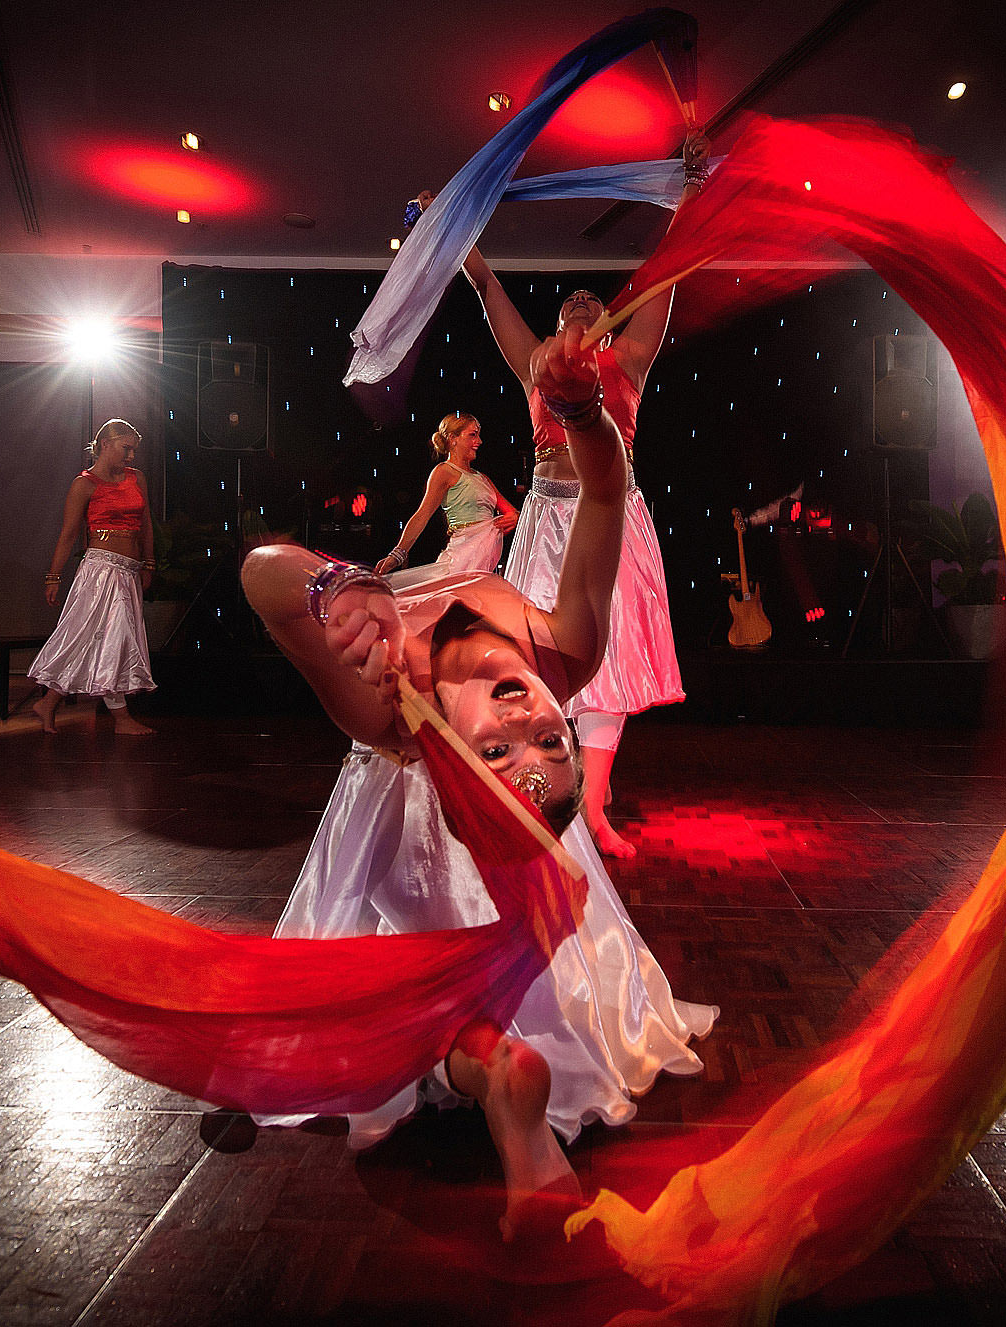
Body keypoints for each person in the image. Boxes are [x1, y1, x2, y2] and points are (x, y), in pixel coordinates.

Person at [242, 325, 714, 1239]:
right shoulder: (565, 649)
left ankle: (490, 1069)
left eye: (500, 750)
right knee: (450, 1005)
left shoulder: (386, 709)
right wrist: (578, 406)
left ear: (457, 755)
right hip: (511, 862)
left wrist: (328, 589)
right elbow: (608, 490)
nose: (523, 720)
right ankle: (497, 1070)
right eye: (550, 737)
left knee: (375, 1010)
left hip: (415, 856)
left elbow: (262, 574)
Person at [442, 130, 707, 859]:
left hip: (614, 516)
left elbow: (668, 270)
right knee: (541, 655)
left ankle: (591, 805)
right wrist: (453, 227)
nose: (585, 298)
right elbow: (489, 287)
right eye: (572, 298)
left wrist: (687, 196)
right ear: (558, 326)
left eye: (595, 295)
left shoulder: (628, 358)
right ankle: (548, 785)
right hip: (548, 520)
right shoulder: (535, 364)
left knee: (613, 654)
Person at [28, 419, 156, 734]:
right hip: (100, 571)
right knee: (108, 639)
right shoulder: (84, 484)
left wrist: (149, 564)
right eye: (126, 449)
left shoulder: (136, 479)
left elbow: (147, 523)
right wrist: (53, 577)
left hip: (128, 571)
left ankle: (48, 703)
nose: (130, 457)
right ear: (104, 445)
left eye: (133, 451)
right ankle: (121, 720)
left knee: (101, 639)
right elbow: (69, 533)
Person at [375, 411, 518, 577]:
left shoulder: (482, 478)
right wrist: (398, 554)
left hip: (484, 564)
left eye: (478, 435)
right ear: (452, 438)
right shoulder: (444, 472)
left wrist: (514, 516)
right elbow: (422, 515)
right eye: (472, 435)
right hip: (461, 560)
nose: (479, 441)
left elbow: (511, 511)